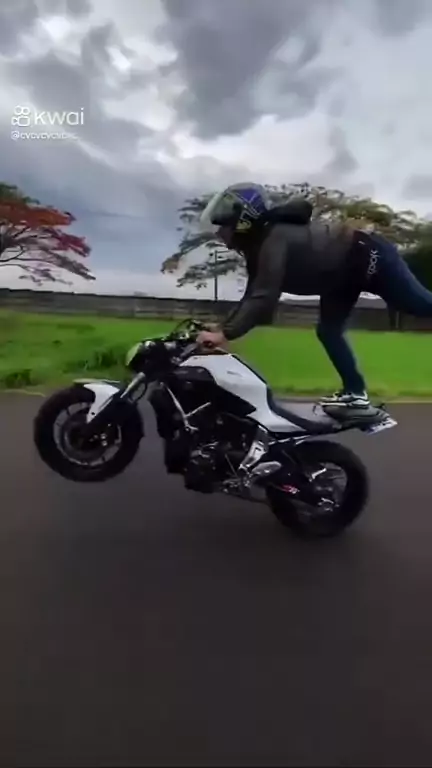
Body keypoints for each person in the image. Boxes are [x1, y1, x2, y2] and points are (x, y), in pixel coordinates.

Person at [196, 181, 432, 417]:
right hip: (342, 278)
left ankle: (355, 392)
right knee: (328, 331)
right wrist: (223, 328)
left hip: (370, 257)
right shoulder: (258, 247)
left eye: (223, 226)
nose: (219, 233)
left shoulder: (274, 239)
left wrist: (225, 333)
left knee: (421, 305)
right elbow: (253, 294)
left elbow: (264, 297)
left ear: (243, 222)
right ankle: (356, 394)